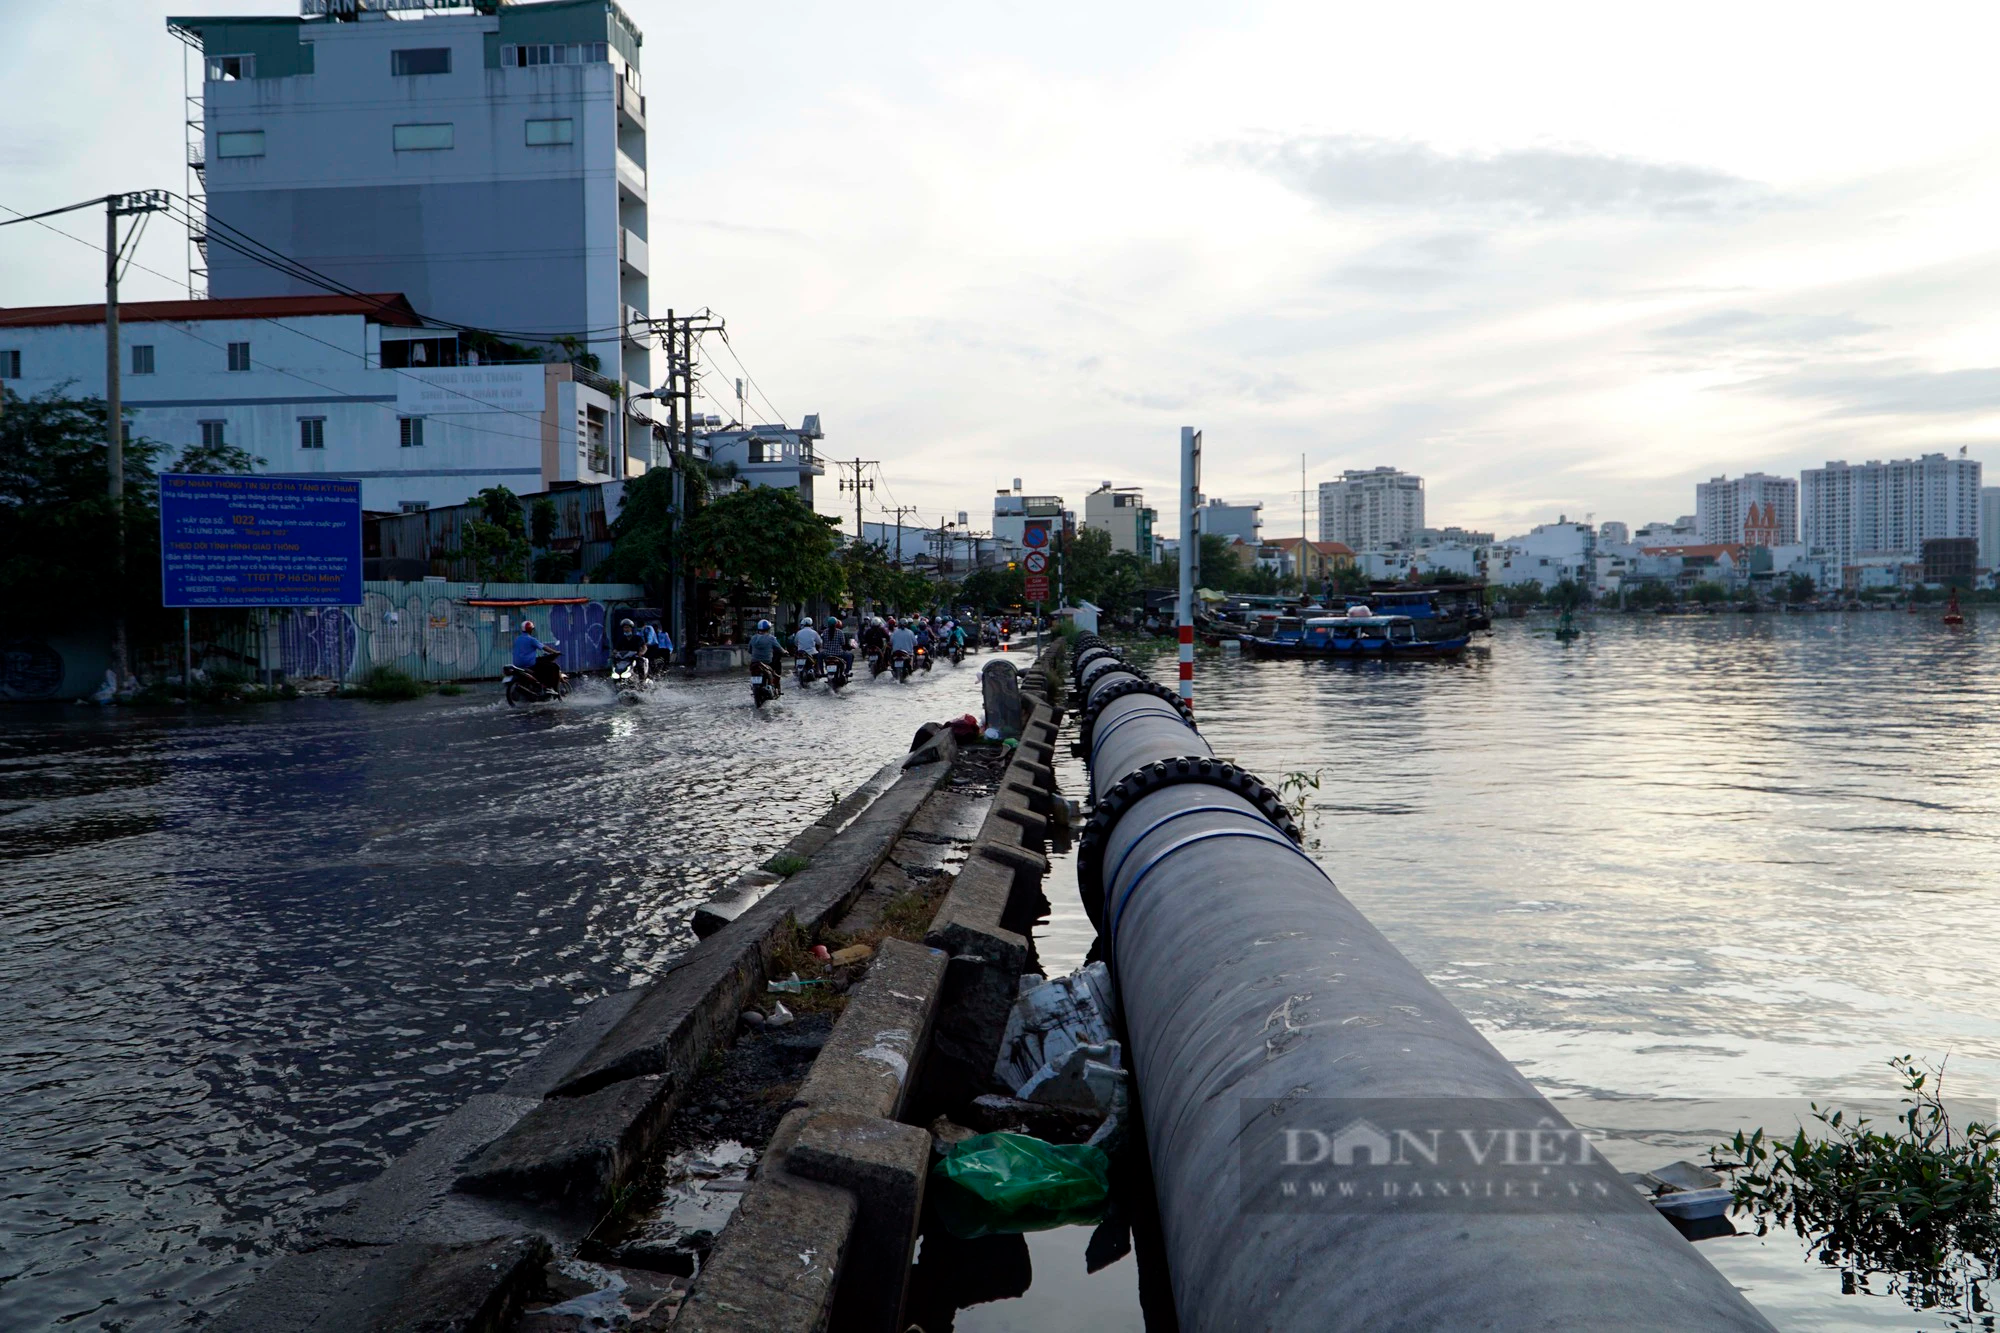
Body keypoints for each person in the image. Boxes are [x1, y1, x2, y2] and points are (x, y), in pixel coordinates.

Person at [512, 619, 562, 693]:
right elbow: (544, 647)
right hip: (529, 663)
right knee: (553, 667)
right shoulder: (531, 639)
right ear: (530, 630)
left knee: (541, 663)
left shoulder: (517, 639)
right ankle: (549, 687)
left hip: (517, 664)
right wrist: (554, 652)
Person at [748, 619, 783, 695]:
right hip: (767, 662)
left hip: (754, 663)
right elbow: (779, 649)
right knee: (776, 670)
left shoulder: (753, 638)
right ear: (768, 629)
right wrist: (785, 652)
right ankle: (777, 688)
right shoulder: (771, 638)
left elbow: (749, 650)